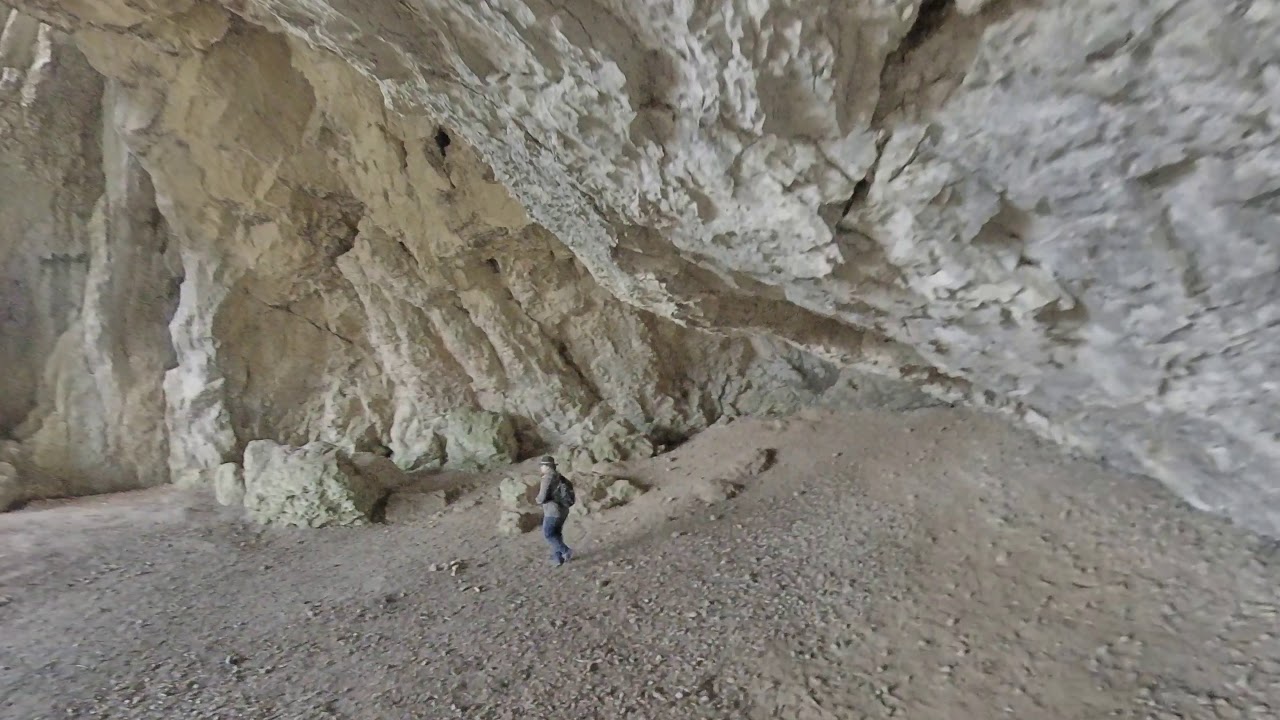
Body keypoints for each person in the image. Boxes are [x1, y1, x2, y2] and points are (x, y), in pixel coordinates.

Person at [535, 455, 574, 566]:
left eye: (542, 466)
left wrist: (536, 500)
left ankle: (566, 551)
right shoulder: (560, 477)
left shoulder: (547, 478)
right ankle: (558, 558)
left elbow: (542, 497)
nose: (541, 468)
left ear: (547, 467)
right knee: (556, 533)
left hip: (552, 511)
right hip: (563, 510)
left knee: (548, 534)